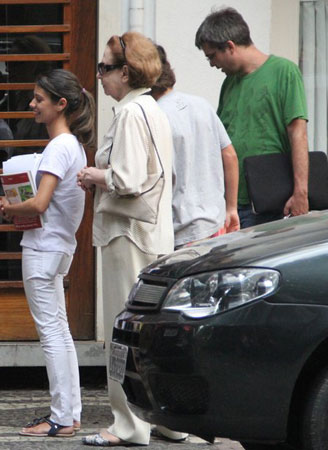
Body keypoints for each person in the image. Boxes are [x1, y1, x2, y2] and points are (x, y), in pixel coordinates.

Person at [76, 32, 186, 446]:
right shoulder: (153, 110)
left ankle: (129, 424)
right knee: (151, 333)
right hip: (153, 232)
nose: (100, 76)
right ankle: (166, 418)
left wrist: (92, 175)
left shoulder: (129, 113)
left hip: (127, 233)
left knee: (124, 332)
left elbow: (127, 178)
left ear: (125, 71)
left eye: (104, 68)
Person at [0, 69, 94, 438]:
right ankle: (69, 413)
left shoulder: (59, 146)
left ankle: (61, 418)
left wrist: (9, 207)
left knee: (52, 334)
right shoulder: (75, 146)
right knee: (61, 332)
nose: (32, 105)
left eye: (39, 99)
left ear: (61, 104)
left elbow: (38, 203)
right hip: (59, 246)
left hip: (42, 248)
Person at [195, 7, 309, 228]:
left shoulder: (284, 72)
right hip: (233, 205)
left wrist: (300, 192)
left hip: (271, 204)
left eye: (212, 56)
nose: (212, 64)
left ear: (229, 46)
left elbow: (298, 133)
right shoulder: (229, 83)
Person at [150, 45, 240, 248]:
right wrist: (231, 207)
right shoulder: (201, 104)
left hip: (181, 230)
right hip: (216, 224)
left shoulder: (154, 116)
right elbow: (230, 155)